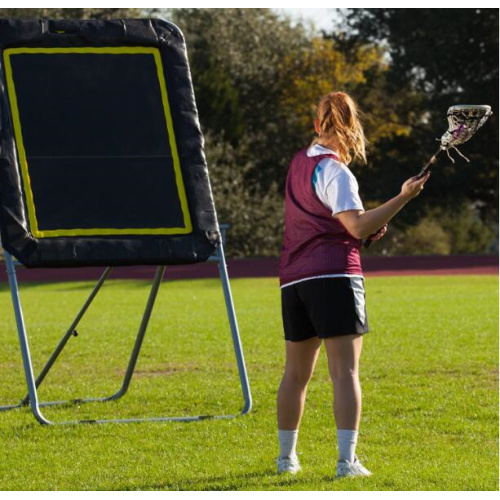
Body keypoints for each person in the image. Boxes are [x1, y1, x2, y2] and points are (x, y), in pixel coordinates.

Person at [276, 91, 430, 478]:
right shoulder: (336, 170)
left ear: (316, 125)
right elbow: (357, 225)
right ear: (353, 126)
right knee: (344, 373)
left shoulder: (298, 163)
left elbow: (333, 222)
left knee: (295, 375)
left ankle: (285, 460)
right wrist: (403, 196)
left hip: (294, 280)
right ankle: (346, 462)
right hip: (334, 277)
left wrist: (362, 228)